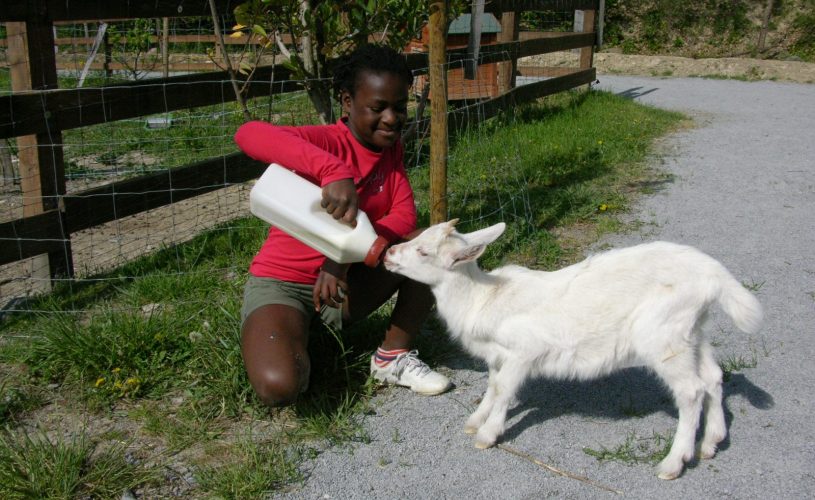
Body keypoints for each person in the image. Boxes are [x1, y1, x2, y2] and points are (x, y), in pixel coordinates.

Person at [234, 44, 451, 407]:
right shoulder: (327, 144)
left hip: (343, 287)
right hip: (283, 285)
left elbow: (404, 216)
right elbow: (248, 134)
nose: (392, 119)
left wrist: (340, 258)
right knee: (280, 386)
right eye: (378, 107)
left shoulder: (389, 152)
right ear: (347, 102)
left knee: (433, 245)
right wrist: (332, 170)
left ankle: (391, 357)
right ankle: (291, 337)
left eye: (399, 107)